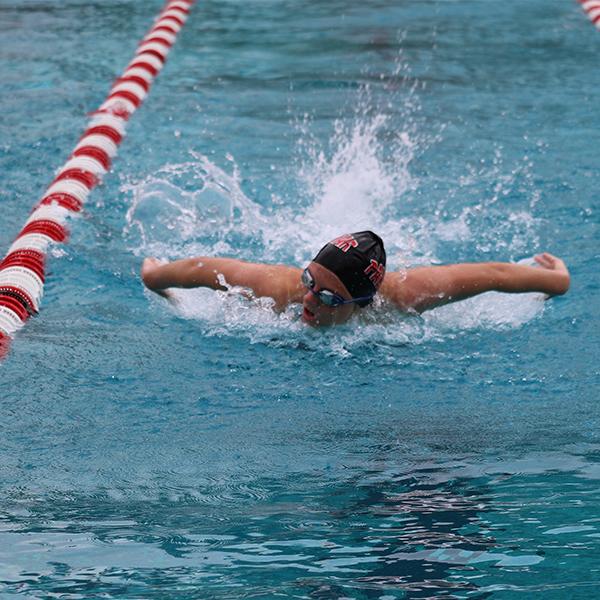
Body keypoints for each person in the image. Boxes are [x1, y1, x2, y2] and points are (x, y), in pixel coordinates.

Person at [141, 231, 570, 327]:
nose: (308, 300)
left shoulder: (404, 297)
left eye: (328, 298)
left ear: (362, 304)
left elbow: (491, 276)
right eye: (310, 282)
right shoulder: (280, 289)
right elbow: (206, 269)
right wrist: (156, 275)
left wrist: (556, 282)